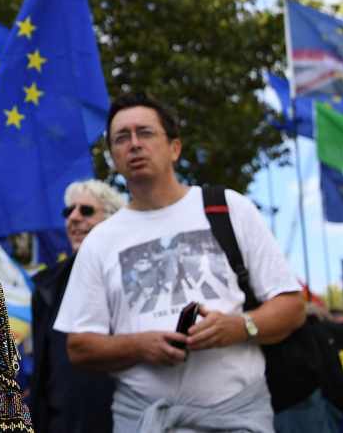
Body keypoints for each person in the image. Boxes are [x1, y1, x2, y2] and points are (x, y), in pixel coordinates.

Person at [58, 92, 305, 432]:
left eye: (145, 133)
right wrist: (139, 346)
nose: (133, 144)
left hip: (238, 417)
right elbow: (79, 347)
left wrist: (238, 326)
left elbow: (292, 307)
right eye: (121, 138)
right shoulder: (100, 240)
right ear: (113, 158)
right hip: (143, 419)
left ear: (175, 147)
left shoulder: (229, 208)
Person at [31, 179, 124, 432]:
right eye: (68, 211)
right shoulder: (46, 287)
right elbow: (43, 372)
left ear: (112, 221)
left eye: (86, 210)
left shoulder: (130, 276)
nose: (73, 217)